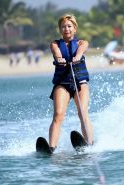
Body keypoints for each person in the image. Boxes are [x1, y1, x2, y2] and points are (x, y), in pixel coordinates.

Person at [48, 14, 94, 153]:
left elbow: (81, 50)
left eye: (69, 26)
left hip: (80, 82)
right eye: (63, 26)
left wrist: (77, 57)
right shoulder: (55, 44)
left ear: (74, 28)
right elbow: (56, 52)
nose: (66, 29)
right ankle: (51, 147)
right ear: (60, 29)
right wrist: (60, 59)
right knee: (58, 114)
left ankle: (90, 144)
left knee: (82, 112)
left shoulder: (82, 43)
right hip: (63, 83)